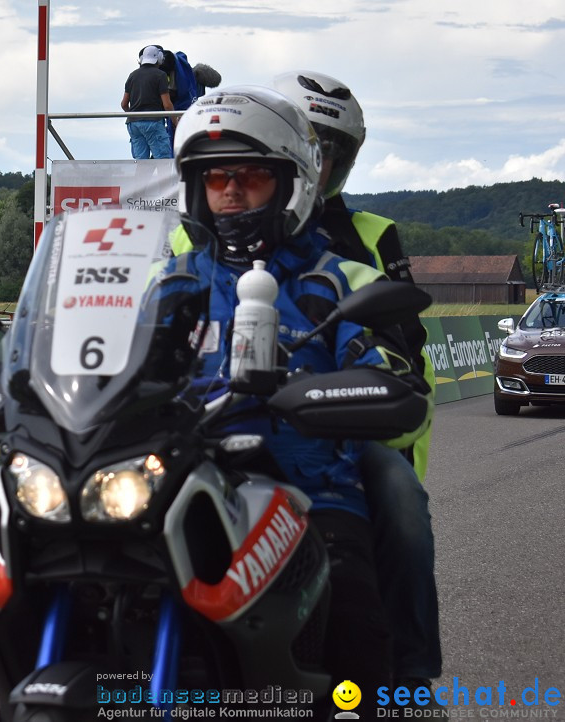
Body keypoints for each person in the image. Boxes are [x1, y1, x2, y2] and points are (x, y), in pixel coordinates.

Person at [157, 85, 433, 702]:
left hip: (311, 482)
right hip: (185, 479)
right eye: (216, 178)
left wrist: (338, 391)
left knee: (355, 612)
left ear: (291, 185)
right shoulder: (169, 279)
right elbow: (103, 357)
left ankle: (401, 693)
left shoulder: (338, 278)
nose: (230, 191)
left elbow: (389, 364)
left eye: (249, 177)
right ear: (195, 187)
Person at [272, 70, 443, 690]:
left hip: (341, 427)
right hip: (217, 418)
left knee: (399, 502)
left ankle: (411, 678)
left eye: (330, 153)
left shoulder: (368, 238)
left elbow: (404, 351)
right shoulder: (198, 227)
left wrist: (366, 388)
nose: (316, 164)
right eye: (306, 145)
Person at [120, 45, 174, 160]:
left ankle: (141, 179)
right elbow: (167, 105)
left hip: (133, 124)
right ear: (159, 58)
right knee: (163, 161)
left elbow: (124, 104)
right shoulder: (161, 75)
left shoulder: (132, 75)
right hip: (153, 122)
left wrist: (134, 115)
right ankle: (164, 179)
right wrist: (175, 121)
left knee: (141, 162)